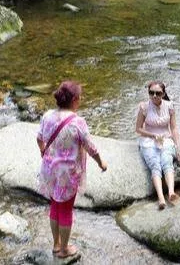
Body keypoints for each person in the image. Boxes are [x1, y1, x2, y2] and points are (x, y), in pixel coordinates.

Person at [37, 81, 107, 259]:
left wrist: (43, 151)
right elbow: (91, 148)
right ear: (74, 99)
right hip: (67, 175)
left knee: (55, 206)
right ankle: (64, 250)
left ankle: (56, 245)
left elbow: (39, 138)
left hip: (50, 171)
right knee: (66, 210)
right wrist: (101, 163)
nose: (81, 100)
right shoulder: (78, 122)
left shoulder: (47, 116)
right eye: (80, 97)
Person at [135, 81, 180, 209]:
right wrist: (153, 136)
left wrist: (179, 148)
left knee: (167, 162)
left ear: (163, 94)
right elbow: (138, 129)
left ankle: (171, 192)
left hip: (166, 139)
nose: (154, 96)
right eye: (151, 93)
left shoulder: (169, 106)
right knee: (155, 165)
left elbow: (174, 128)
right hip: (148, 140)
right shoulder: (144, 107)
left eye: (158, 93)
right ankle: (161, 198)